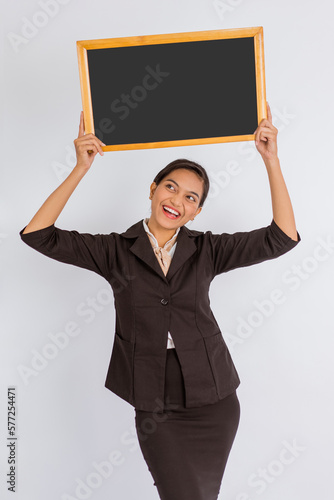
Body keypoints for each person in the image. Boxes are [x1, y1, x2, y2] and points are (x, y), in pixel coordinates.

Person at [20, 104, 300, 500]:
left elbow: (281, 238)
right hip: (155, 403)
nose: (177, 201)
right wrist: (81, 168)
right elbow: (38, 235)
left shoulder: (208, 250)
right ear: (153, 190)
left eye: (190, 197)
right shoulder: (114, 251)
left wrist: (271, 160)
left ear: (196, 211)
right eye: (170, 187)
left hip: (215, 398)